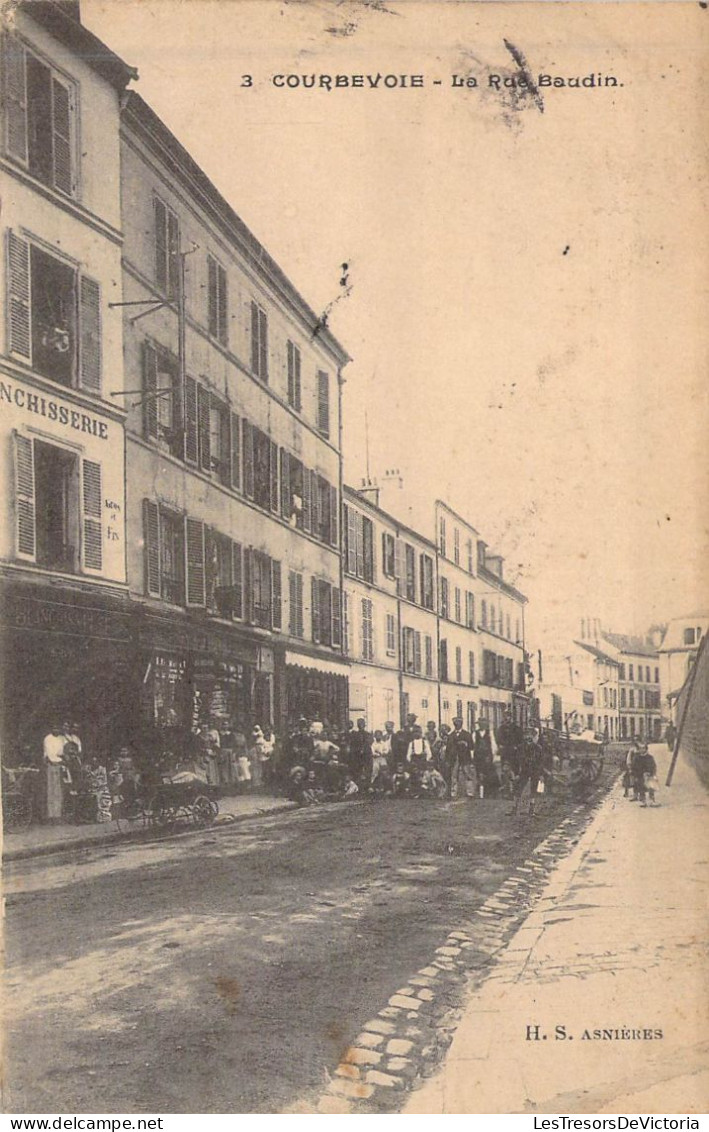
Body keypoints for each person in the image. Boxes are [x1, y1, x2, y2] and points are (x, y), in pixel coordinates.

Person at [509, 727, 545, 817]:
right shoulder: (521, 747)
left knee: (534, 790)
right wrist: (516, 773)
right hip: (524, 770)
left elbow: (540, 762)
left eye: (532, 736)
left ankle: (531, 810)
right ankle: (514, 809)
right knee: (518, 789)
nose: (530, 737)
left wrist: (541, 774)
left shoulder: (538, 748)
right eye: (528, 735)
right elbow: (516, 761)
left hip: (535, 771)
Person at [445, 717, 475, 799]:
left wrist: (466, 744)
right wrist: (447, 760)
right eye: (455, 723)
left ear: (461, 723)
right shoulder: (451, 735)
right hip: (454, 758)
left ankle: (470, 793)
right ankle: (454, 793)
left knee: (468, 774)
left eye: (458, 722)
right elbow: (448, 749)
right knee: (454, 776)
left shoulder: (467, 734)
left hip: (465, 757)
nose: (457, 724)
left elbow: (472, 747)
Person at [347, 718, 373, 793]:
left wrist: (364, 749)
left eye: (362, 723)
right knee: (357, 771)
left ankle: (368, 787)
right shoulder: (354, 735)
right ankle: (358, 787)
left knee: (368, 770)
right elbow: (352, 745)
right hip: (357, 756)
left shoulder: (368, 734)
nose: (361, 725)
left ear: (365, 724)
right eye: (359, 724)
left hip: (367, 755)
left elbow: (369, 744)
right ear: (357, 725)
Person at [406, 725, 433, 794]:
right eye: (415, 732)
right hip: (414, 762)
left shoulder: (425, 742)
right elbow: (408, 755)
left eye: (418, 732)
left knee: (423, 775)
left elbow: (429, 753)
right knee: (414, 776)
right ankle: (415, 791)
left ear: (421, 733)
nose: (417, 734)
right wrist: (411, 761)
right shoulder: (411, 743)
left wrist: (426, 760)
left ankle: (424, 791)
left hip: (422, 762)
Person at [473, 719, 495, 798]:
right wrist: (473, 756)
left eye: (483, 724)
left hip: (487, 755)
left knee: (488, 773)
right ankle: (480, 792)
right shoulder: (475, 733)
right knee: (479, 773)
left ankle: (488, 791)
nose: (482, 725)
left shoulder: (490, 733)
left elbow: (493, 744)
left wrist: (492, 755)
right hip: (478, 756)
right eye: (480, 724)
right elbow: (473, 745)